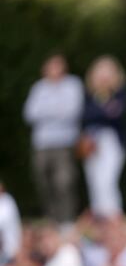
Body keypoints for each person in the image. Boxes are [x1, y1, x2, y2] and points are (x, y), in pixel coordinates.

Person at [23, 53, 83, 225]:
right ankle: (52, 219)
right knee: (44, 181)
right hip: (42, 144)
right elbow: (29, 114)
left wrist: (47, 111)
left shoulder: (73, 85)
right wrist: (57, 110)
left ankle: (67, 219)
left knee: (64, 182)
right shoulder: (39, 88)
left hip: (65, 143)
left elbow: (72, 112)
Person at [80, 55, 126, 220]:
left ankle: (113, 217)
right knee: (94, 182)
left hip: (111, 141)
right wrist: (104, 111)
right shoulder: (89, 96)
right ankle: (99, 218)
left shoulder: (120, 94)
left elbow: (115, 115)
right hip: (91, 143)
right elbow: (87, 116)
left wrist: (102, 112)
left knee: (107, 181)